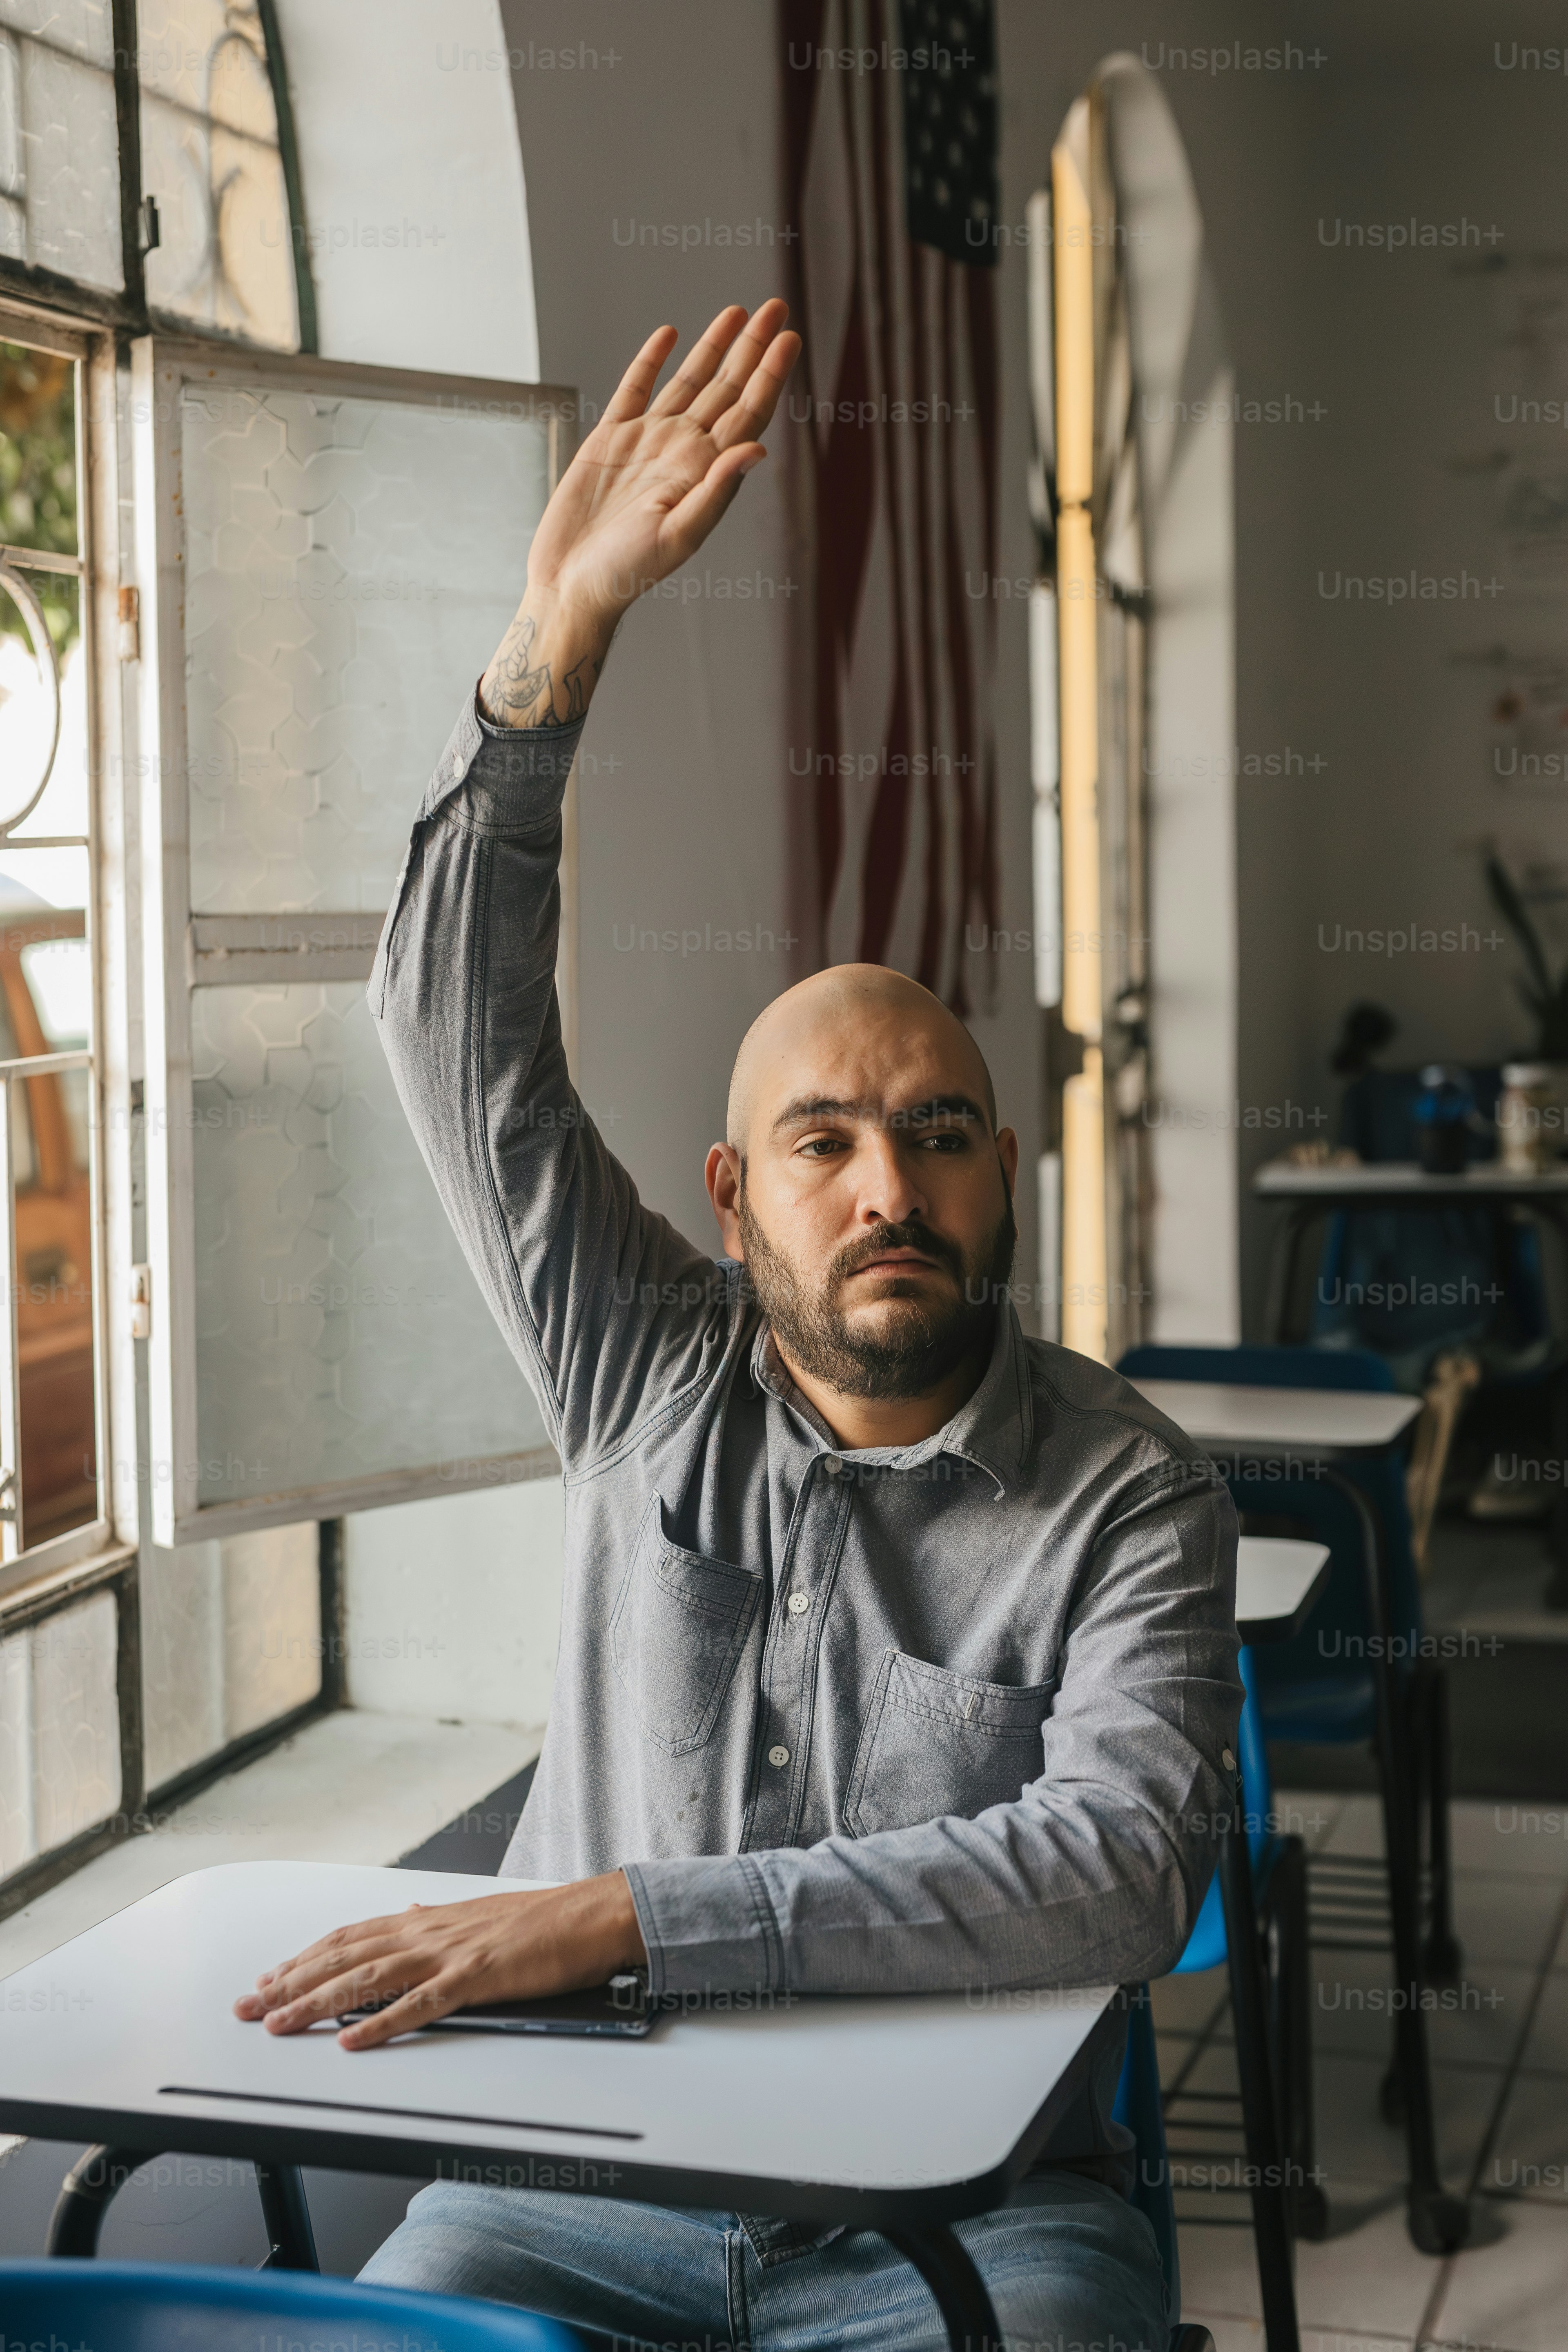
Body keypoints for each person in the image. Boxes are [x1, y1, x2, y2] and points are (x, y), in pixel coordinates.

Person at [234, 301, 1242, 2352]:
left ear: (1002, 1181)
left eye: (942, 1138)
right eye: (827, 1142)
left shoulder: (1127, 1495)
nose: (890, 1190)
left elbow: (1120, 1867)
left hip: (966, 2221)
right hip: (570, 2192)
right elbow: (454, 1040)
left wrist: (630, 1917)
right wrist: (553, 652)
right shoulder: (652, 1369)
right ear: (734, 1197)